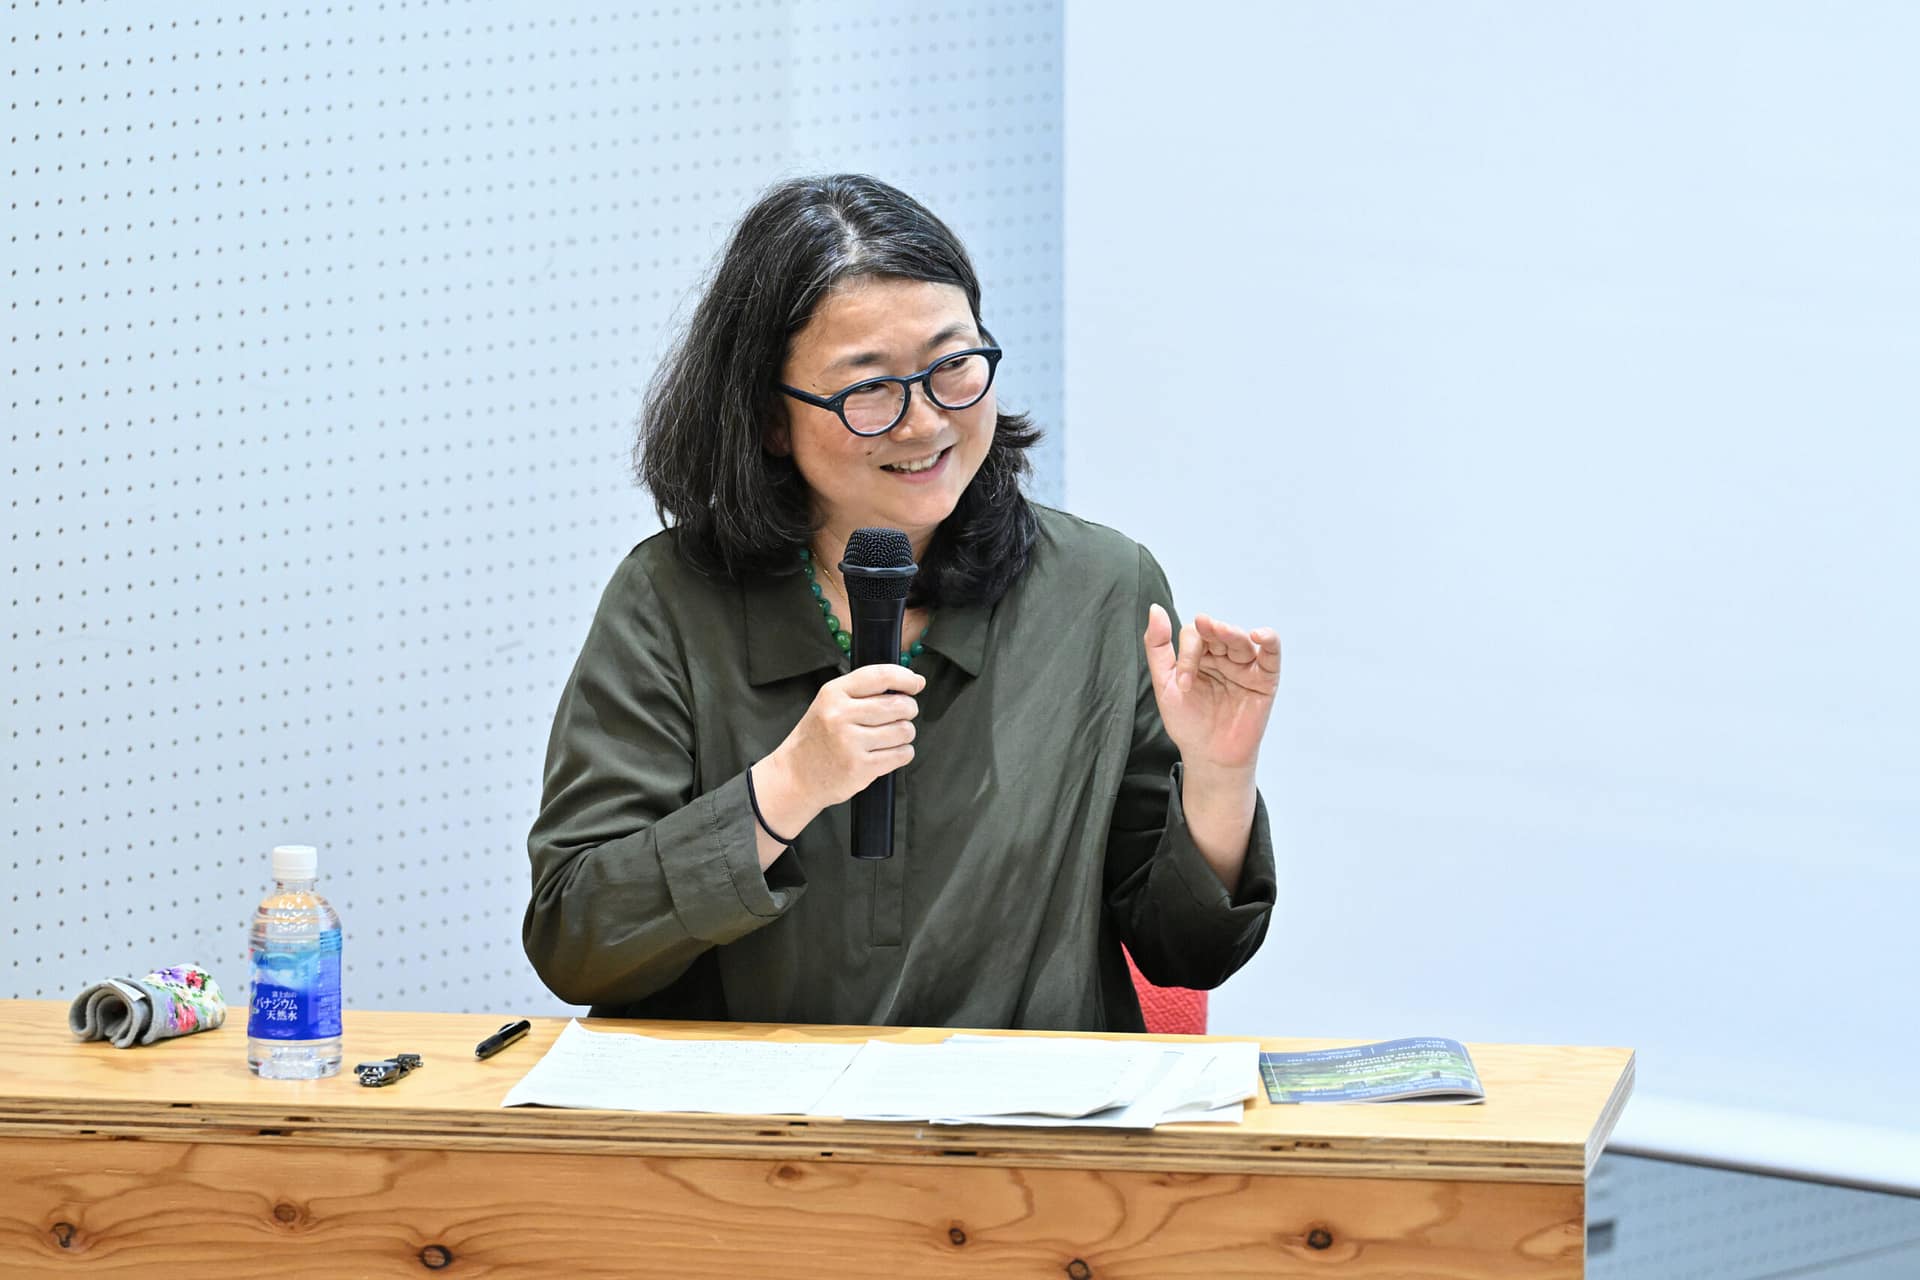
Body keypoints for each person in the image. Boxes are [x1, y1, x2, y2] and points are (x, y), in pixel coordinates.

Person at [523, 174, 1281, 1031]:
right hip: (752, 1140)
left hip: (1022, 1141)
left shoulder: (1100, 587)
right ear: (771, 418)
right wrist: (787, 786)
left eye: (954, 366)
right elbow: (575, 939)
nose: (925, 424)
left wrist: (1219, 782)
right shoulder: (669, 598)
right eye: (870, 389)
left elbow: (1189, 953)